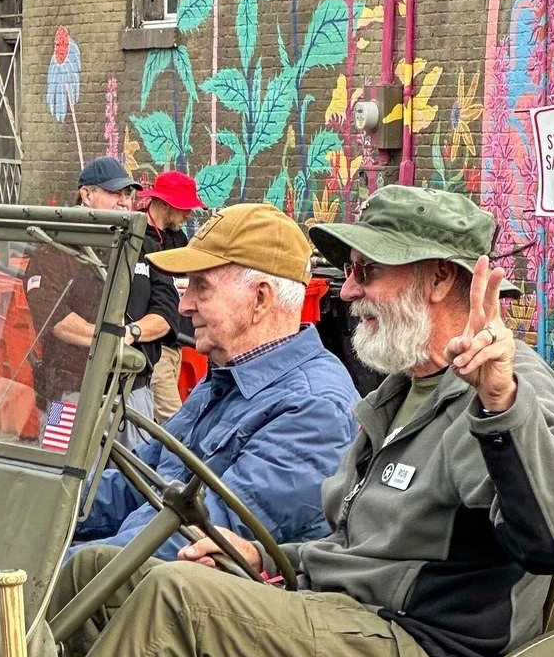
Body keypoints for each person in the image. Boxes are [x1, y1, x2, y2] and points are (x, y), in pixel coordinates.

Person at [56, 186, 554, 657]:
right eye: (349, 271)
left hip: (423, 656)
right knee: (100, 572)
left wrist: (501, 404)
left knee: (179, 601)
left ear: (441, 280)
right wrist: (261, 556)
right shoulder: (395, 394)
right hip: (348, 621)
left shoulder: (503, 387)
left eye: (368, 271)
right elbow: (354, 548)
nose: (347, 291)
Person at [67, 202, 358, 557]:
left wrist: (54, 570)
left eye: (200, 287)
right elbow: (134, 482)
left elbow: (191, 537)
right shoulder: (227, 378)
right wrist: (36, 505)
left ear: (260, 299)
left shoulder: (313, 410)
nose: (184, 305)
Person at [25, 156, 135, 413]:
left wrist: (136, 333)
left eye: (127, 193)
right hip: (64, 390)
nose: (124, 201)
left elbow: (161, 306)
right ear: (86, 194)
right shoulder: (54, 250)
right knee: (55, 449)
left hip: (122, 388)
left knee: (133, 453)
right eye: (113, 192)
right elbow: (55, 320)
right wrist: (117, 338)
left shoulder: (129, 248)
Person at [135, 170, 202, 420]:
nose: (189, 213)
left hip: (174, 341)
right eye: (183, 207)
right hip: (155, 346)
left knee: (150, 424)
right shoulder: (136, 237)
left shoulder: (177, 237)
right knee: (172, 422)